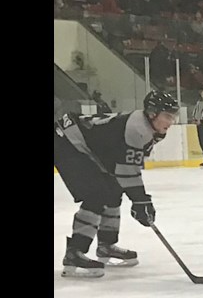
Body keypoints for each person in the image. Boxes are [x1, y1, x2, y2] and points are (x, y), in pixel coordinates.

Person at [54, 91, 179, 278]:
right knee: (96, 194)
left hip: (88, 147)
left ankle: (106, 245)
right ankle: (74, 252)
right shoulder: (138, 128)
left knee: (113, 190)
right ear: (153, 113)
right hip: (66, 140)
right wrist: (141, 201)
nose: (171, 122)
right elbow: (127, 171)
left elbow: (127, 167)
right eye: (167, 116)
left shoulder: (152, 130)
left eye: (173, 117)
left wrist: (139, 200)